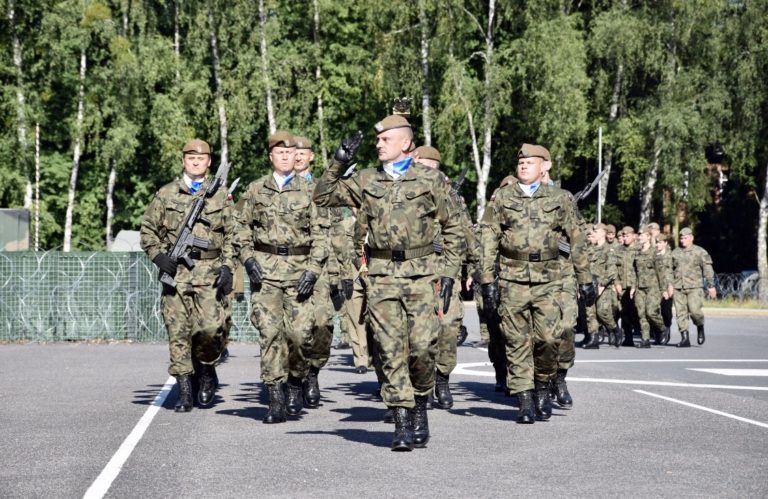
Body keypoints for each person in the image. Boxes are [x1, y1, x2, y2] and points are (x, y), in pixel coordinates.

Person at [313, 115, 462, 451]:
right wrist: (339, 161)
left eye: (385, 139)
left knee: (422, 347)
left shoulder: (430, 179)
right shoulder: (367, 179)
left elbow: (454, 227)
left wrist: (449, 272)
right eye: (377, 140)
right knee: (389, 349)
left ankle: (420, 401)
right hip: (381, 276)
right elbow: (322, 196)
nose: (378, 144)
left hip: (422, 274)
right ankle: (402, 420)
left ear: (405, 143)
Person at [479, 143, 594, 424]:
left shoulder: (561, 198)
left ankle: (543, 383)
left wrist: (585, 279)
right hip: (512, 279)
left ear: (545, 167)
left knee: (549, 338)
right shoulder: (500, 198)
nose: (523, 165)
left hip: (549, 280)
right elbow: (488, 237)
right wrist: (487, 279)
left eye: (530, 162)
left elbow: (577, 238)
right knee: (516, 341)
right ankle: (525, 399)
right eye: (521, 162)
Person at [233, 131, 327, 424]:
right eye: (280, 153)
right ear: (271, 156)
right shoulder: (255, 189)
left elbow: (322, 235)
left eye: (290, 153)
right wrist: (248, 258)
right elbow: (240, 227)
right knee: (270, 334)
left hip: (300, 272)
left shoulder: (311, 190)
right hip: (265, 273)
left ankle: (296, 380)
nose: (286, 157)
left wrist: (313, 270)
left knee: (300, 336)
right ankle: (275, 399)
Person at [140, 138, 234, 412]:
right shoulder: (166, 193)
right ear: (183, 161)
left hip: (209, 273)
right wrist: (158, 256)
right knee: (178, 331)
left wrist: (228, 266)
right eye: (191, 158)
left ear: (209, 162)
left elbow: (234, 234)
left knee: (210, 330)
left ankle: (206, 370)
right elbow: (148, 230)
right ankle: (184, 390)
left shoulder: (220, 195)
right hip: (177, 274)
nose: (195, 162)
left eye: (200, 158)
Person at [411, 145, 479, 410]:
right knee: (416, 334)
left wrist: (478, 271)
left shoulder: (451, 197)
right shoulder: (401, 191)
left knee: (448, 328)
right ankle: (422, 385)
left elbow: (466, 235)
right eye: (423, 166)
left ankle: (442, 378)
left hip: (444, 273)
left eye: (432, 168)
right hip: (412, 273)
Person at [293, 135, 338, 405]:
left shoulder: (324, 190)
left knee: (322, 324)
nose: (298, 156)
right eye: (294, 152)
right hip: (288, 267)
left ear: (311, 156)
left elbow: (339, 232)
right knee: (293, 329)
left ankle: (313, 371)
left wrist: (341, 273)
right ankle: (293, 378)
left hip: (321, 269)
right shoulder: (275, 187)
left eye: (303, 152)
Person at [671, 227, 716, 347]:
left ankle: (700, 326)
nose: (683, 240)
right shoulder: (675, 252)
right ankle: (685, 338)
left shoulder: (700, 252)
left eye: (685, 238)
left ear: (691, 238)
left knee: (695, 311)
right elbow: (669, 270)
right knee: (680, 313)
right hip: (678, 287)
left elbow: (707, 269)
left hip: (694, 287)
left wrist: (711, 285)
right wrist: (669, 285)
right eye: (681, 238)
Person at [632, 226, 666, 348]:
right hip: (640, 288)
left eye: (642, 235)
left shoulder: (654, 253)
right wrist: (633, 287)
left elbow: (661, 272)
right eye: (639, 235)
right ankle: (645, 339)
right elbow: (634, 272)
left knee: (651, 312)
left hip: (653, 287)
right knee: (641, 314)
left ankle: (662, 328)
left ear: (649, 236)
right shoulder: (637, 253)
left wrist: (663, 289)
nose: (639, 237)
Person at [589, 224, 621, 347]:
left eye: (596, 231)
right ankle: (594, 339)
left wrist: (602, 285)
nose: (593, 233)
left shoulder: (609, 250)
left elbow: (612, 271)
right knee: (590, 313)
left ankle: (615, 329)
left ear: (603, 233)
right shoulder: (590, 249)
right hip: (589, 286)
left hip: (603, 286)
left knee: (602, 312)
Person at [614, 226, 638, 347]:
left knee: (638, 311)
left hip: (636, 286)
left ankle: (652, 333)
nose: (625, 238)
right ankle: (628, 337)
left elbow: (641, 270)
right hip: (622, 286)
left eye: (628, 236)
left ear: (634, 236)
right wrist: (617, 283)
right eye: (623, 236)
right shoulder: (618, 250)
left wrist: (635, 284)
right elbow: (613, 268)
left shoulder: (639, 250)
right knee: (624, 312)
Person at [655, 233, 674, 343]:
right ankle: (659, 333)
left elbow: (673, 272)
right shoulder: (654, 255)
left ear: (665, 243)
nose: (657, 245)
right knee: (654, 311)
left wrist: (670, 286)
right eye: (656, 242)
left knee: (666, 311)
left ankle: (667, 328)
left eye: (660, 243)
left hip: (667, 287)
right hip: (655, 287)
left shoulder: (671, 256)